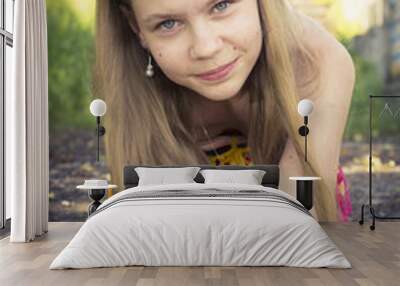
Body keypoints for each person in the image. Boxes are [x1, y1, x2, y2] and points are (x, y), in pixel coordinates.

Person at [95, 0, 355, 221]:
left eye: (222, 4)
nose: (207, 48)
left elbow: (299, 223)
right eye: (168, 24)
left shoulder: (316, 59)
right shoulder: (131, 85)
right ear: (136, 27)